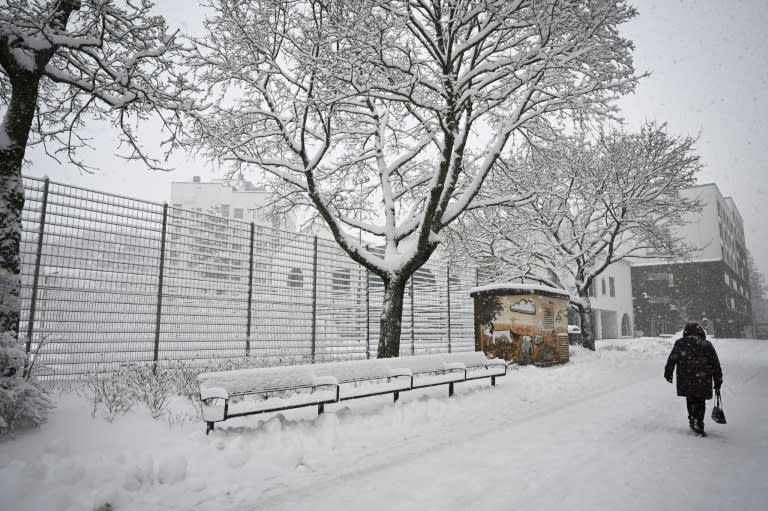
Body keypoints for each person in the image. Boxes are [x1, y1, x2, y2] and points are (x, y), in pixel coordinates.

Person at [664, 322, 723, 437]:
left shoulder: (680, 343)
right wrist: (718, 379)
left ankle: (692, 419)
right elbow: (715, 363)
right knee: (700, 401)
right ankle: (698, 422)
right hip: (703, 378)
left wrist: (668, 372)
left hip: (686, 377)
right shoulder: (706, 344)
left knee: (690, 399)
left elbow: (672, 359)